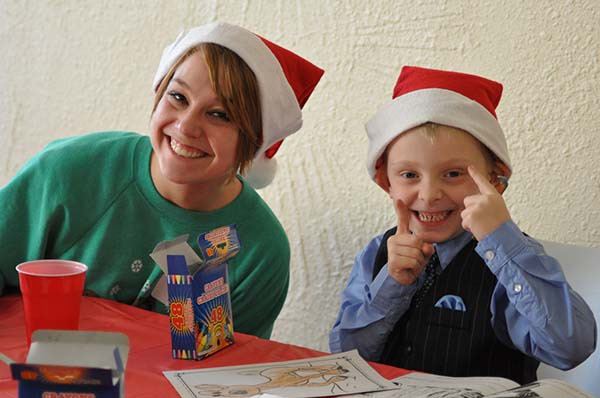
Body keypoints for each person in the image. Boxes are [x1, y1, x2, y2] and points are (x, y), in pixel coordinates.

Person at [0, 22, 324, 339]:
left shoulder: (261, 251)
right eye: (179, 97)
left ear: (254, 140)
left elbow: (231, 377)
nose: (186, 127)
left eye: (220, 115)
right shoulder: (69, 171)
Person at [329, 66, 596, 383]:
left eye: (453, 174)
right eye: (409, 175)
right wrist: (391, 285)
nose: (429, 195)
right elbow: (344, 360)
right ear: (387, 182)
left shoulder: (510, 261)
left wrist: (503, 243)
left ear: (495, 181)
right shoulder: (377, 254)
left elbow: (570, 347)